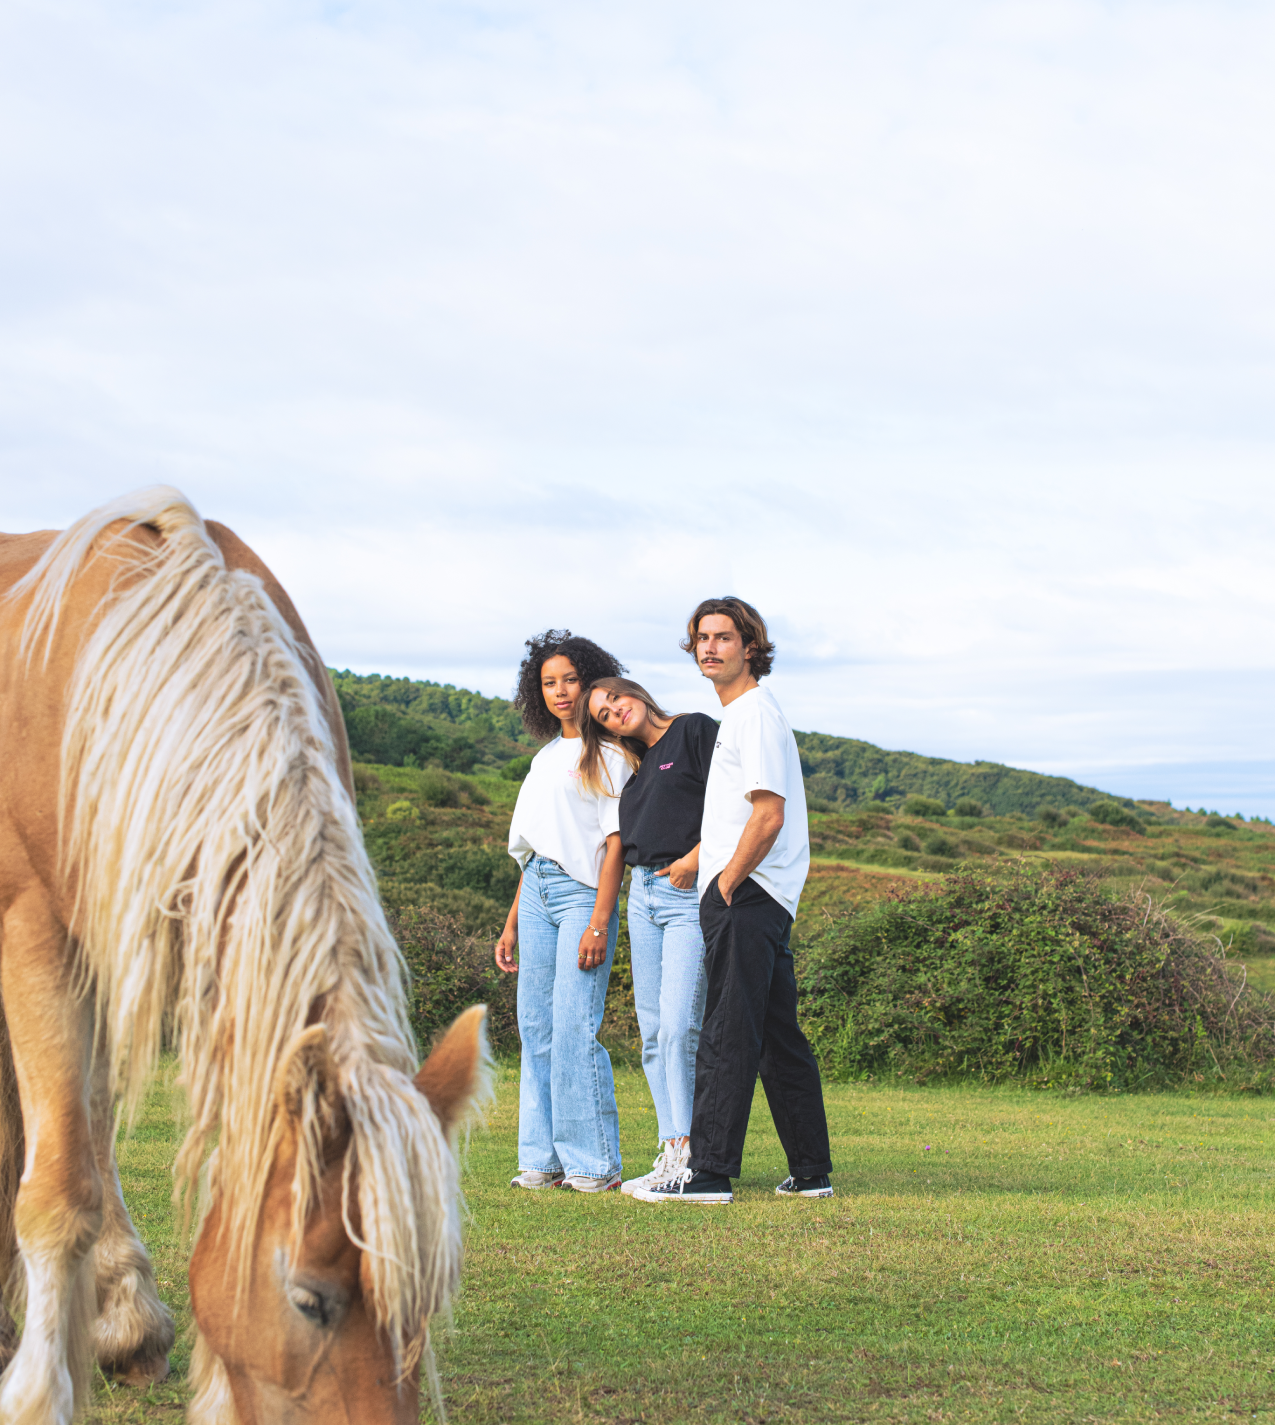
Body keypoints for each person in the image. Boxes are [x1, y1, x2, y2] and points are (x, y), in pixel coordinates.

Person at [634, 597, 833, 1205]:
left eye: (723, 636)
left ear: (750, 647)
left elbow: (767, 813)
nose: (709, 647)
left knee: (726, 1031)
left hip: (747, 895)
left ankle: (709, 1173)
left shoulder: (754, 715)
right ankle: (810, 1172)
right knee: (777, 1036)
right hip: (757, 896)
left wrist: (724, 885)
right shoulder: (740, 716)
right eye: (701, 638)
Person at [496, 630, 633, 1192]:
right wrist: (510, 923)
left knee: (575, 1027)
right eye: (548, 682)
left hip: (583, 894)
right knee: (536, 1026)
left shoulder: (610, 754)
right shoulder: (545, 757)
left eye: (570, 680)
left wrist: (600, 920)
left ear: (591, 681)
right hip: (537, 892)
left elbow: (616, 843)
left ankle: (593, 1164)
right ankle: (542, 1158)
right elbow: (533, 848)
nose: (560, 691)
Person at [577, 677, 718, 1195]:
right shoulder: (635, 774)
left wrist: (694, 862)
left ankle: (692, 1155)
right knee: (654, 1033)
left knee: (681, 1028)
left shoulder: (694, 731)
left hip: (686, 891)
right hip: (645, 896)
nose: (614, 712)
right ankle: (671, 1149)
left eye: (614, 699)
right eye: (604, 716)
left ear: (633, 692)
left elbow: (732, 803)